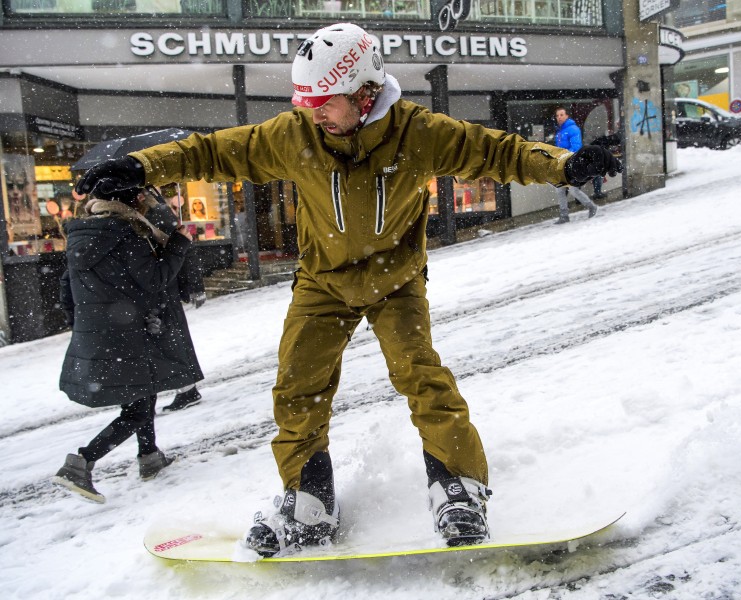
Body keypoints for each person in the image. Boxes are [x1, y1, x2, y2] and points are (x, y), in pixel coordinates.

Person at [74, 23, 621, 552]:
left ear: (365, 93)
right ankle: (309, 499)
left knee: (421, 378)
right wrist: (142, 167)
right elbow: (212, 151)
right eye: (305, 100)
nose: (312, 112)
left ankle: (458, 486)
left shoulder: (419, 132)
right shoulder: (294, 136)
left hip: (396, 281)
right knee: (296, 389)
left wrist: (565, 164)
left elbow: (498, 151)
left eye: (325, 100)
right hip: (323, 283)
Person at [53, 186, 193, 503]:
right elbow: (155, 279)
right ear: (131, 202)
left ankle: (149, 455)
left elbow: (66, 286)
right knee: (137, 410)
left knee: (144, 391)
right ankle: (80, 463)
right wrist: (179, 245)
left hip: (104, 330)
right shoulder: (126, 233)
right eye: (141, 197)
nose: (145, 202)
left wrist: (84, 323)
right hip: (126, 330)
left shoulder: (83, 232)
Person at [151, 191, 207, 412]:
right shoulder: (156, 213)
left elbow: (184, 249)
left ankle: (187, 389)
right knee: (171, 338)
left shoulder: (159, 214)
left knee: (172, 338)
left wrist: (194, 286)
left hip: (165, 285)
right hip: (162, 284)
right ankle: (185, 388)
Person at [553, 107, 600, 224]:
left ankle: (591, 206)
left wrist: (563, 156)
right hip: (562, 164)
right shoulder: (559, 132)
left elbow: (576, 147)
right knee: (560, 189)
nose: (559, 117)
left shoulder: (573, 129)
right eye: (557, 115)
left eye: (561, 115)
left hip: (572, 163)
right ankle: (564, 215)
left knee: (573, 189)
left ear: (567, 116)